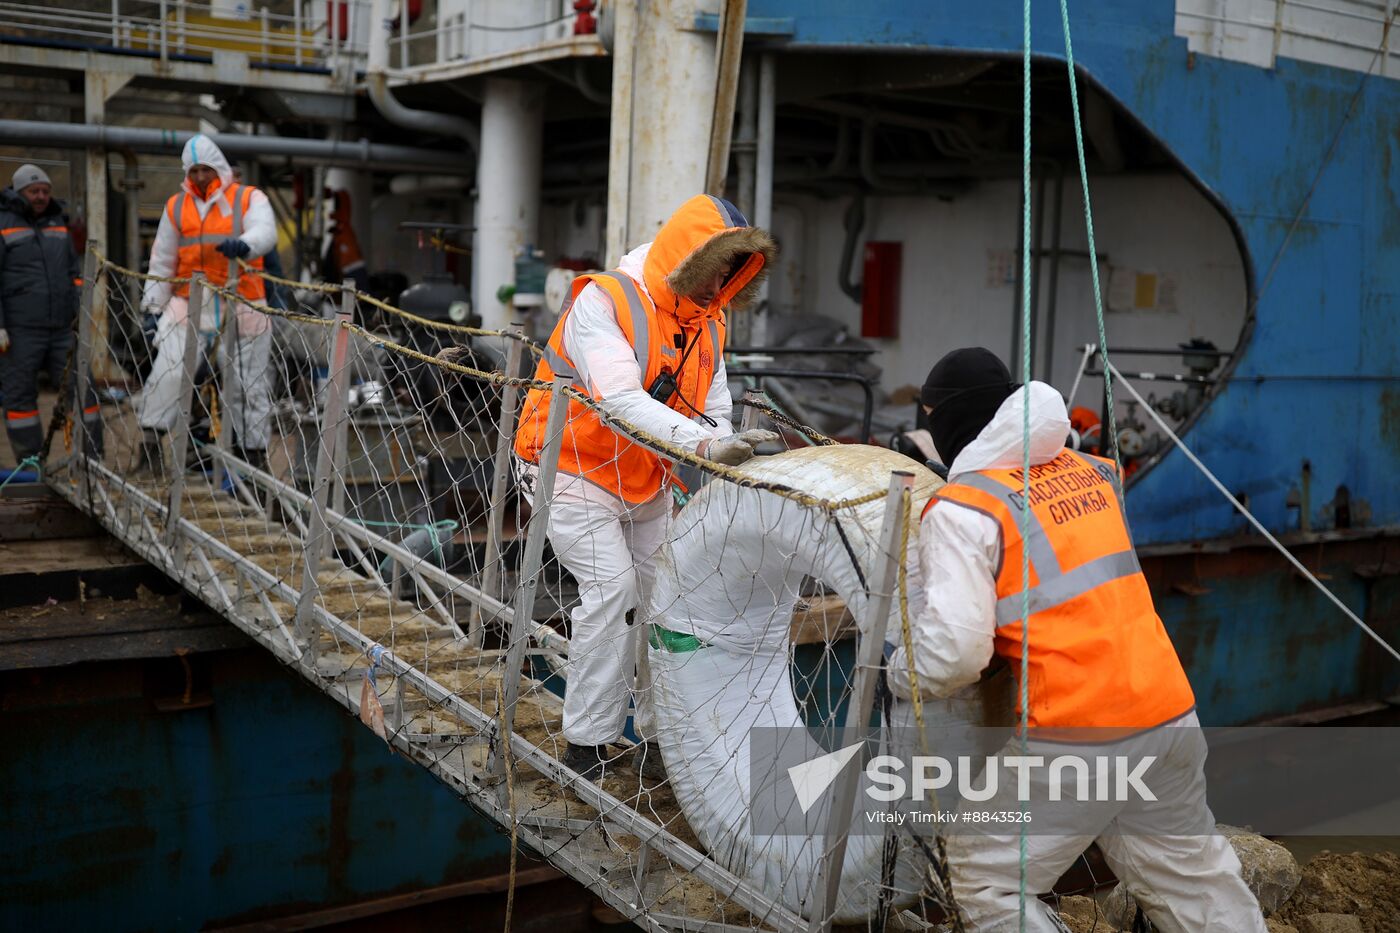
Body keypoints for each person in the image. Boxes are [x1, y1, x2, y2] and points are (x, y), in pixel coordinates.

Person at [884, 348, 1265, 932]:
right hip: (1168, 714)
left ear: (952, 423)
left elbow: (954, 656)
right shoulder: (1094, 472)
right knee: (1190, 876)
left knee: (989, 878)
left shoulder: (965, 509)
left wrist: (894, 673)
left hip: (1079, 731)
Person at [509, 194, 777, 779]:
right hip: (569, 467)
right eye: (713, 271)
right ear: (686, 257)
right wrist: (705, 445)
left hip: (644, 478)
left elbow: (715, 404)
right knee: (613, 590)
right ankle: (587, 743)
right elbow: (622, 402)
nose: (718, 287)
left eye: (731, 276)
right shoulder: (602, 301)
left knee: (671, 599)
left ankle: (664, 740)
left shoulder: (709, 322)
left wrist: (722, 437)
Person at [137, 136, 276, 473]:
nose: (200, 176)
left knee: (249, 385)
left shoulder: (248, 197)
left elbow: (266, 230)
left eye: (206, 169)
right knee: (168, 374)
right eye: (194, 170)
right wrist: (153, 309)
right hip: (189, 301)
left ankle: (253, 462)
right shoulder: (176, 206)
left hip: (242, 299)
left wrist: (245, 245)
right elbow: (162, 259)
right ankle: (151, 452)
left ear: (220, 168)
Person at [0, 164, 102, 465]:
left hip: (61, 330)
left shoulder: (58, 224)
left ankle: (91, 460)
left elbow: (74, 271)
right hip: (19, 331)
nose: (41, 196)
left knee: (83, 390)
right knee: (19, 399)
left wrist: (79, 306)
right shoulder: (3, 224)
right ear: (19, 193)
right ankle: (30, 463)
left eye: (45, 190)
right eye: (34, 191)